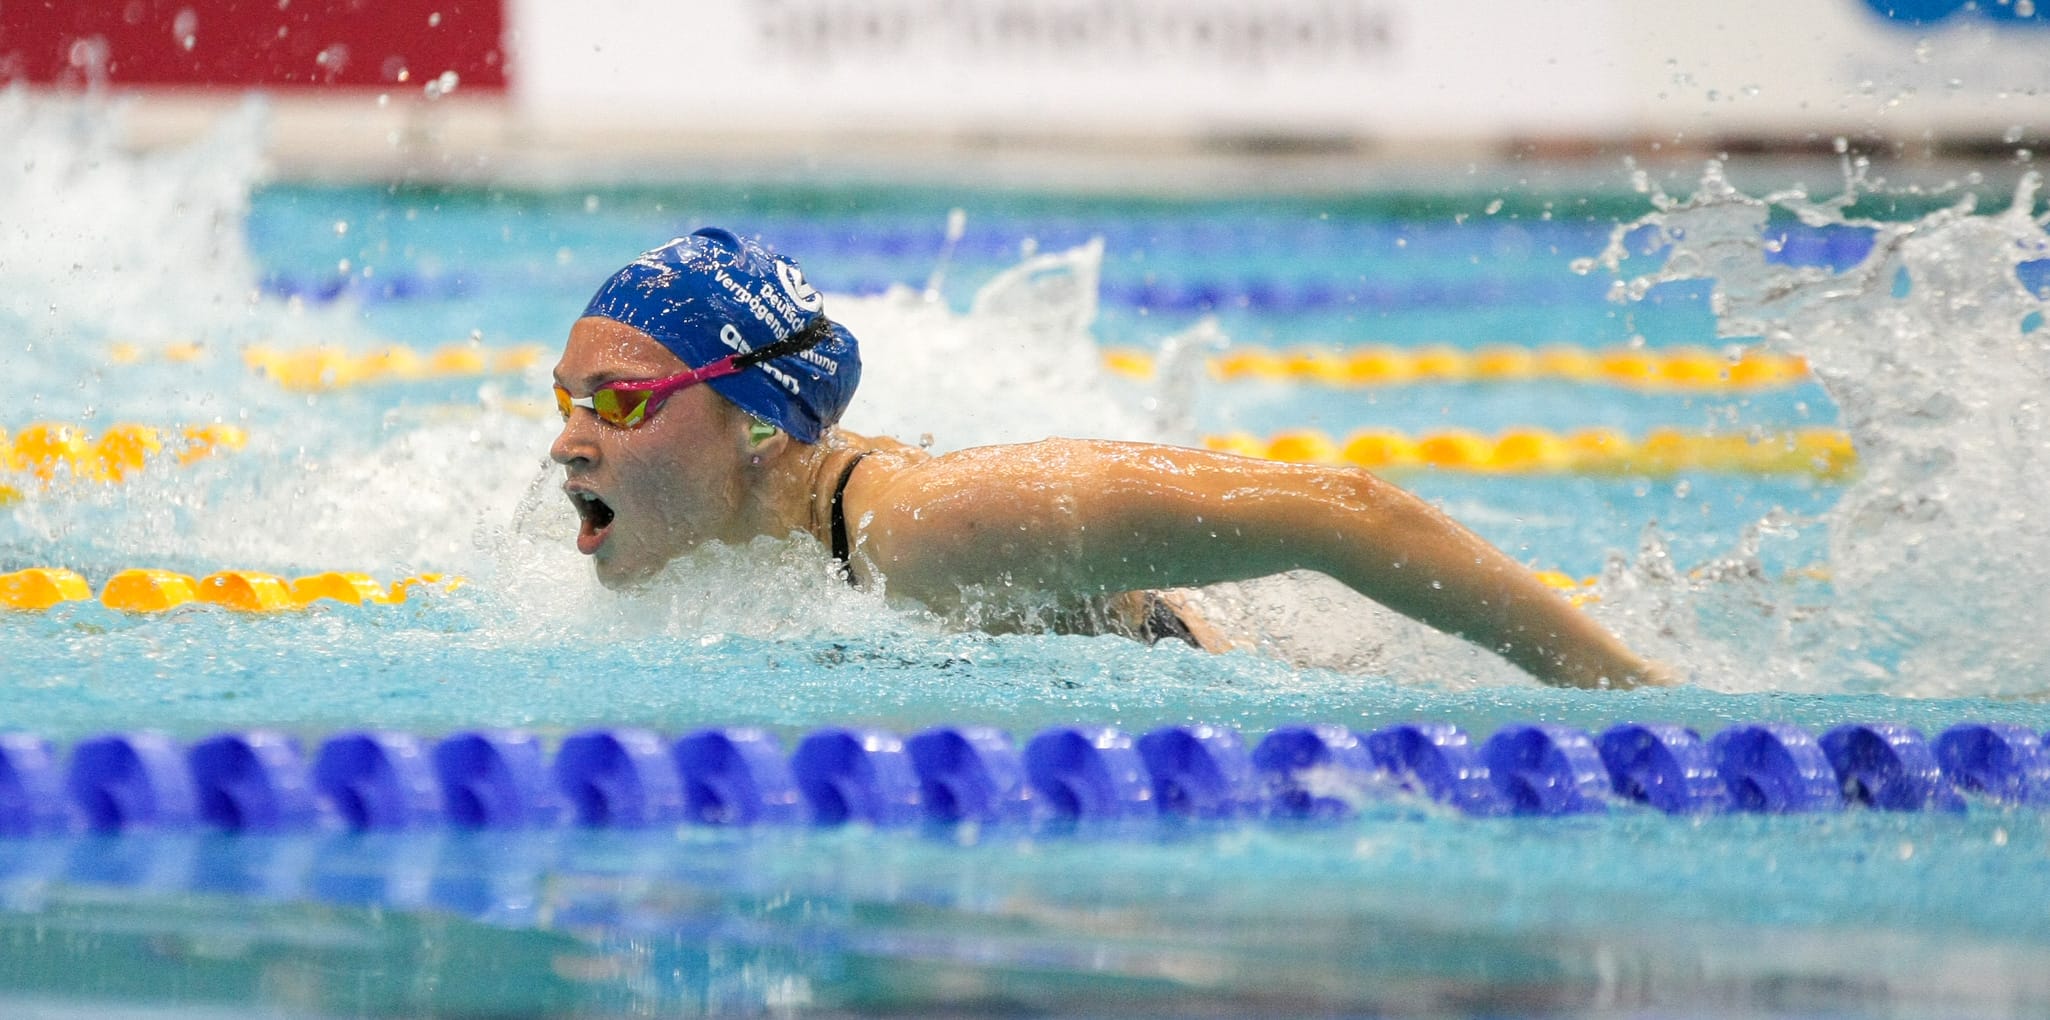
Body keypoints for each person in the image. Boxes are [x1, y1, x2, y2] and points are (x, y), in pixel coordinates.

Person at [550, 228, 1671, 689]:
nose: (568, 442)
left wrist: (1625, 695)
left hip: (1289, 671)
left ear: (760, 420)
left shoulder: (929, 526)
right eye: (568, 400)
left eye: (620, 402)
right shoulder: (690, 526)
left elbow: (1348, 509)